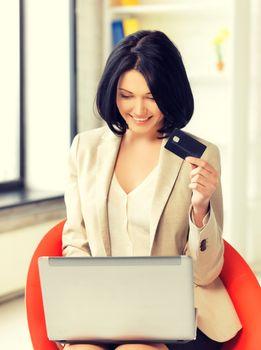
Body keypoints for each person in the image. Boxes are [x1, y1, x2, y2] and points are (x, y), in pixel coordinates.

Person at [61, 30, 242, 350]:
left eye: (151, 96)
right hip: (106, 309)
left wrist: (200, 209)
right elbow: (76, 242)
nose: (138, 109)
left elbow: (206, 272)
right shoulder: (85, 149)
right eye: (126, 95)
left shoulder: (199, 154)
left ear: (170, 93)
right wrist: (89, 304)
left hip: (178, 314)